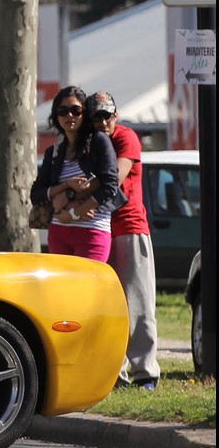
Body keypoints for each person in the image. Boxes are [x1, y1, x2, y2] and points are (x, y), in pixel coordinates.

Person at [94, 91, 159, 390]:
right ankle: (113, 374)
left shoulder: (125, 137)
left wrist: (76, 187)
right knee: (109, 307)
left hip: (130, 227)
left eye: (107, 115)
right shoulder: (91, 142)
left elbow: (116, 177)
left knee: (139, 304)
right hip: (99, 229)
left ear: (116, 115)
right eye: (96, 116)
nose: (103, 121)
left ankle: (145, 372)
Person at [31, 86, 119, 262]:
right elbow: (36, 195)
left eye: (75, 110)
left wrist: (74, 213)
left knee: (88, 287)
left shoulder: (98, 141)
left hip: (93, 230)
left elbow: (110, 185)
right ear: (56, 116)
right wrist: (65, 186)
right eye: (62, 111)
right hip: (59, 231)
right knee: (61, 289)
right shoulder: (54, 152)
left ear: (84, 114)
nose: (69, 116)